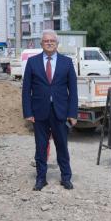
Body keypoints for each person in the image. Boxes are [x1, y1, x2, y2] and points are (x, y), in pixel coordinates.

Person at [22, 29, 78, 191]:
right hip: (39, 112)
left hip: (60, 111)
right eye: (46, 41)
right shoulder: (32, 62)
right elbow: (26, 90)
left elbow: (73, 90)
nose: (49, 43)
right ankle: (41, 179)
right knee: (40, 147)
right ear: (41, 43)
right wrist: (28, 112)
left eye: (52, 41)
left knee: (62, 146)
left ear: (57, 43)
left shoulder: (66, 62)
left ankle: (66, 178)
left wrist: (72, 113)